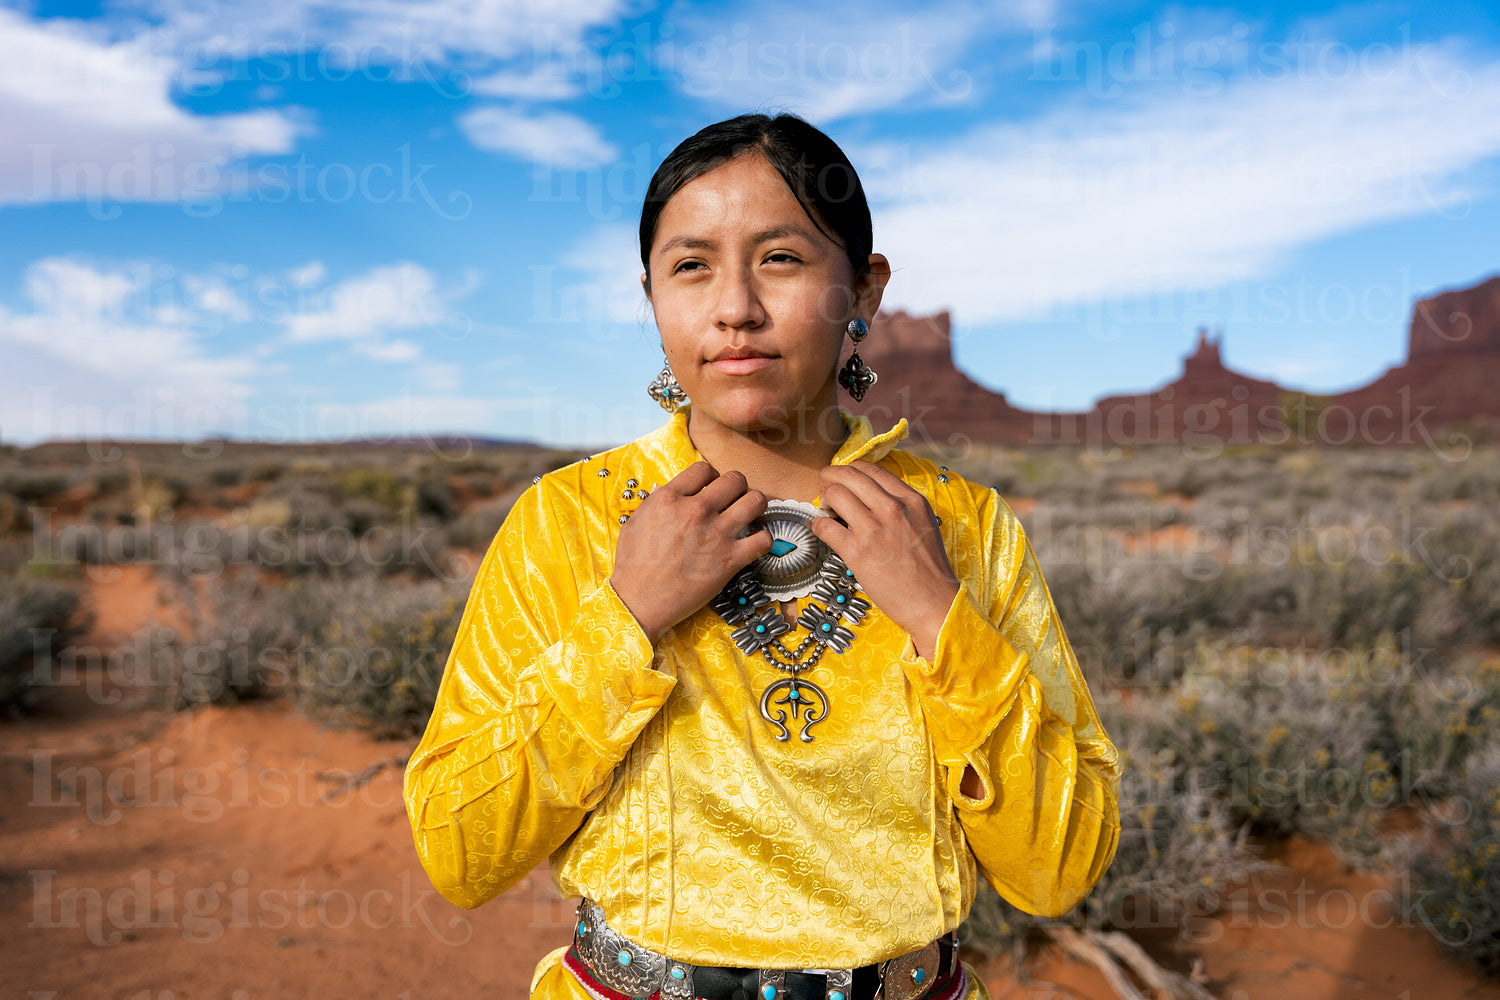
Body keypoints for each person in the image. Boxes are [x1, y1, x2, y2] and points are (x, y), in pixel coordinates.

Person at [403, 113, 1121, 1000]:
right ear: (652, 297)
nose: (734, 307)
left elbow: (1060, 867)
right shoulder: (570, 520)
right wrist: (624, 622)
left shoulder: (962, 527)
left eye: (780, 259)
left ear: (863, 289)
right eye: (691, 266)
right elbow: (459, 851)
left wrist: (941, 620)